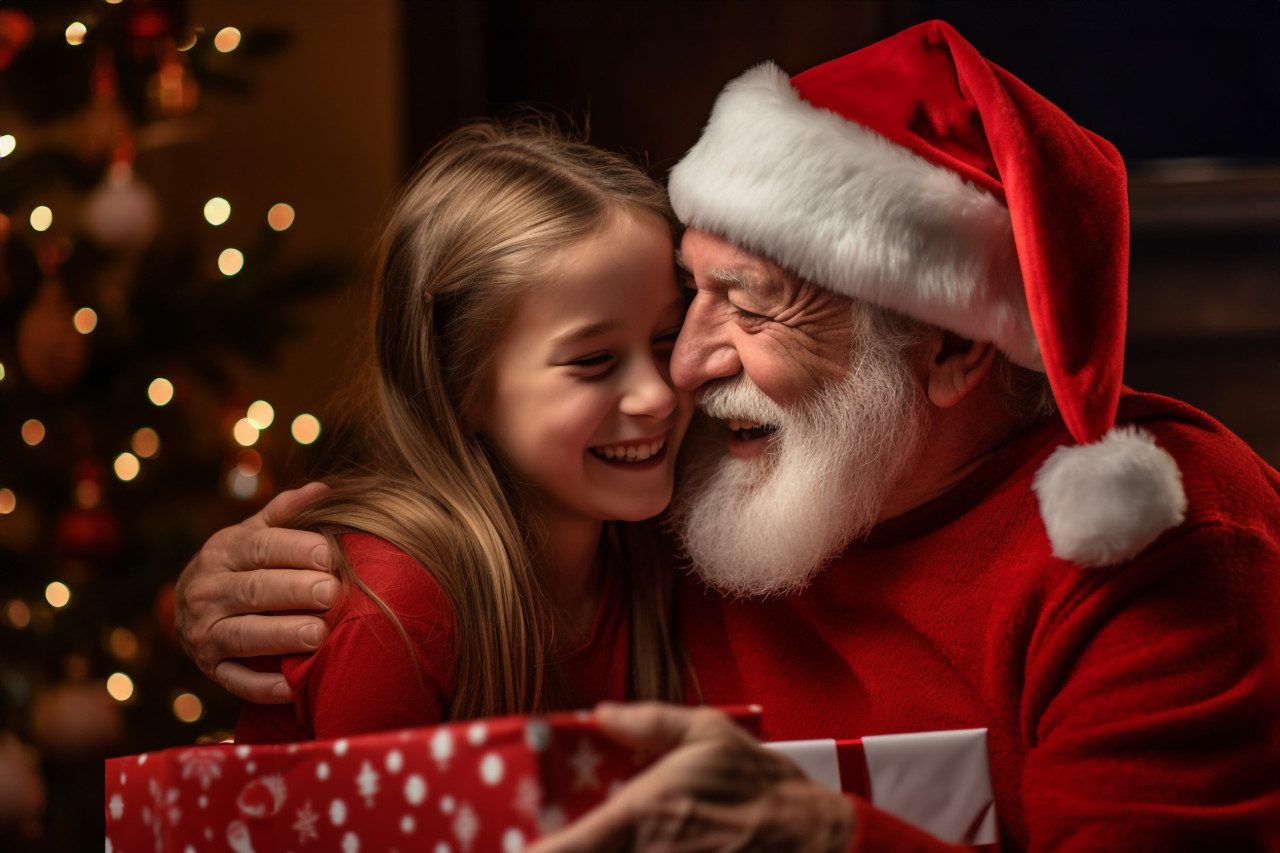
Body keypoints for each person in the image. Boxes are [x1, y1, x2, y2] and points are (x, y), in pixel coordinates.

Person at [176, 21, 1280, 852]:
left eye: (750, 310)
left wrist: (825, 837)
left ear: (950, 350)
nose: (685, 369)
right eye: (686, 301)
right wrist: (242, 595)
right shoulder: (683, 487)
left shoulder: (1162, 552)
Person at [228, 117, 694, 742]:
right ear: (459, 389)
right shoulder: (396, 611)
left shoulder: (660, 556)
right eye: (593, 360)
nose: (659, 395)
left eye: (667, 340)